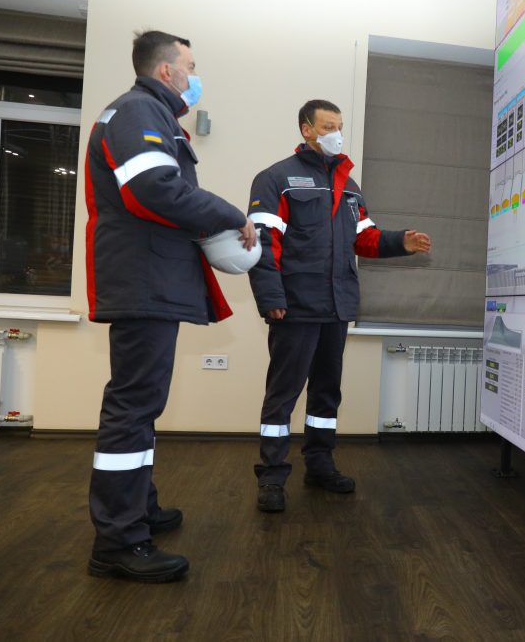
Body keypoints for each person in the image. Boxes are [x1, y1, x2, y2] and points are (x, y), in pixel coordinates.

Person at [84, 30, 256, 582]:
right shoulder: (139, 112)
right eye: (191, 65)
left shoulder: (149, 113)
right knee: (134, 408)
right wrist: (231, 215)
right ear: (166, 71)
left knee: (142, 405)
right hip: (143, 280)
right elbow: (155, 190)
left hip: (150, 278)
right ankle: (118, 541)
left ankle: (139, 509)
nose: (194, 76)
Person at [247, 99, 431, 511]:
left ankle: (320, 464)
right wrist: (271, 297)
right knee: (283, 394)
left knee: (327, 393)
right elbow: (262, 241)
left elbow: (363, 237)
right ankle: (272, 477)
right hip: (295, 306)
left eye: (339, 126)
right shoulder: (276, 179)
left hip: (337, 305)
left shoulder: (349, 185)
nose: (336, 134)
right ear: (306, 129)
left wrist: (400, 241)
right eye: (328, 126)